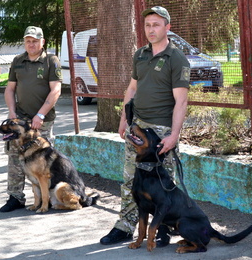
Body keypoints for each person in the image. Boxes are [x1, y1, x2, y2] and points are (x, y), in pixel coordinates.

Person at [100, 6, 190, 245]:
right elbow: (131, 88)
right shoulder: (139, 54)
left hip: (161, 132)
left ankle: (164, 229)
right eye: (148, 25)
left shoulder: (176, 58)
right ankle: (124, 226)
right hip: (138, 130)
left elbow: (181, 100)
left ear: (167, 27)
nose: (151, 29)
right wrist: (123, 120)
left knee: (164, 184)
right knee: (131, 181)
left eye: (156, 24)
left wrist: (174, 136)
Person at [0, 26, 62, 212]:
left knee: (44, 161)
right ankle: (15, 197)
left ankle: (48, 198)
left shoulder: (51, 60)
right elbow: (10, 89)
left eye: (35, 40)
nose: (31, 44)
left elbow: (56, 90)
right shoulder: (18, 61)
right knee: (14, 156)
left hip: (42, 119)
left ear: (42, 42)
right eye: (28, 40)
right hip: (20, 119)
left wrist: (40, 114)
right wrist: (12, 112)